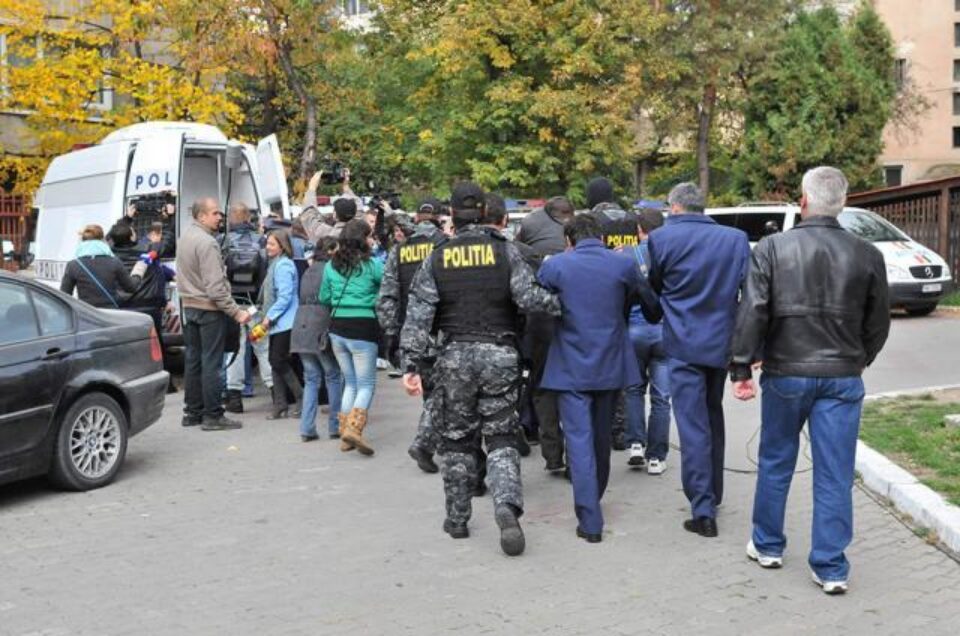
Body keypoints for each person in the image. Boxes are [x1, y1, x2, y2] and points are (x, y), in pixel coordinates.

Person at [730, 167, 890, 595]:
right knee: (835, 472)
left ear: (803, 200)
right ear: (842, 201)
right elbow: (878, 323)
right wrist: (858, 358)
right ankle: (831, 567)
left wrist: (742, 367)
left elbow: (754, 310)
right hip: (841, 376)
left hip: (786, 373)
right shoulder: (866, 253)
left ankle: (767, 545)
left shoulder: (772, 248)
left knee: (776, 460)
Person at [399, 181, 560, 556]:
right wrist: (563, 302)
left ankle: (457, 519)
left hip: (454, 357)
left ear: (451, 216)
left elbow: (419, 315)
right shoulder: (505, 252)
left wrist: (411, 363)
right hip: (500, 354)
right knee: (502, 436)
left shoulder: (438, 256)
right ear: (485, 213)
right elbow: (528, 298)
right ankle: (506, 507)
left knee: (457, 440)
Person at [537, 215, 660, 543]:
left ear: (569, 240)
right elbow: (651, 306)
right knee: (601, 436)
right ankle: (595, 495)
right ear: (603, 238)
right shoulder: (621, 265)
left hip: (570, 365)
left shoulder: (556, 266)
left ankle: (590, 518)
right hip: (610, 363)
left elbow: (535, 301)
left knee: (577, 439)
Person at [647, 182, 750, 538]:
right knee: (712, 415)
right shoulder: (735, 240)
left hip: (683, 343)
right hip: (721, 344)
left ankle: (703, 508)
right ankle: (713, 491)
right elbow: (748, 294)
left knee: (692, 425)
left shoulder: (661, 239)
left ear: (674, 207)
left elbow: (656, 286)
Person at [377, 197, 447, 473]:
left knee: (432, 391)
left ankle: (433, 440)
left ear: (417, 219)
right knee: (445, 392)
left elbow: (386, 298)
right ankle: (427, 441)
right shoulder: (445, 245)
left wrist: (392, 334)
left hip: (412, 332)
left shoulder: (400, 250)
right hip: (442, 331)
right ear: (440, 218)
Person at [176, 197, 251, 431]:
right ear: (201, 216)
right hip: (209, 309)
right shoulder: (207, 243)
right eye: (215, 213)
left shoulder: (186, 237)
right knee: (212, 363)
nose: (220, 217)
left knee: (194, 361)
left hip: (190, 306)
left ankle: (193, 412)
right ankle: (213, 415)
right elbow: (215, 287)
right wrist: (236, 312)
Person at [516, 196, 575, 471]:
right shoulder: (576, 236)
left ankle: (552, 454)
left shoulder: (528, 231)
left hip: (538, 322)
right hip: (572, 324)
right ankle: (574, 454)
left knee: (542, 387)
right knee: (573, 390)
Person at [319, 219, 384, 455]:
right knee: (366, 383)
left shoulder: (330, 265)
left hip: (337, 328)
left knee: (351, 382)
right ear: (362, 239)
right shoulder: (373, 265)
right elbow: (385, 290)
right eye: (369, 236)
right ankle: (354, 430)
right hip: (363, 326)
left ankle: (345, 432)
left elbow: (324, 296)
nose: (372, 240)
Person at [623, 209, 671, 474]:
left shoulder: (627, 255)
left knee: (633, 390)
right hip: (664, 330)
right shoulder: (671, 253)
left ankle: (635, 444)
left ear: (639, 229)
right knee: (662, 396)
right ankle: (656, 457)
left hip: (633, 331)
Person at [107, 221, 176, 391]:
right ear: (131, 236)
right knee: (156, 347)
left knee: (129, 348)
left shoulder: (111, 255)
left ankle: (132, 384)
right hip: (149, 306)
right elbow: (167, 242)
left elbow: (110, 235)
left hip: (125, 307)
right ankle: (165, 386)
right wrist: (168, 219)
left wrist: (126, 219)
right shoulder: (147, 251)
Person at [292, 238, 343, 441]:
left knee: (311, 378)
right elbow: (332, 298)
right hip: (320, 322)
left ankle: (307, 427)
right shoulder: (331, 269)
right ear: (330, 250)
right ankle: (335, 425)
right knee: (333, 375)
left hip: (301, 323)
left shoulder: (307, 270)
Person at [224, 202, 272, 413]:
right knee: (263, 348)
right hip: (256, 304)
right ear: (248, 219)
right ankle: (275, 392)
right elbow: (267, 273)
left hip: (233, 305)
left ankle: (234, 397)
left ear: (232, 219)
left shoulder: (224, 241)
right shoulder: (261, 241)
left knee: (236, 350)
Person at [257, 229, 302, 419]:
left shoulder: (283, 266)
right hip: (280, 323)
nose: (267, 247)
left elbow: (285, 297)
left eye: (272, 244)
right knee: (275, 362)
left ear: (282, 246)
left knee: (277, 360)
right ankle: (280, 403)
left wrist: (269, 317)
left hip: (285, 322)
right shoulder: (276, 264)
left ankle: (300, 397)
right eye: (267, 243)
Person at [61, 224, 147, 308]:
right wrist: (139, 268)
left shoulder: (73, 265)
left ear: (82, 241)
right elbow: (131, 287)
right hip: (109, 314)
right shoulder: (114, 262)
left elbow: (64, 295)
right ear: (103, 240)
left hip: (86, 314)